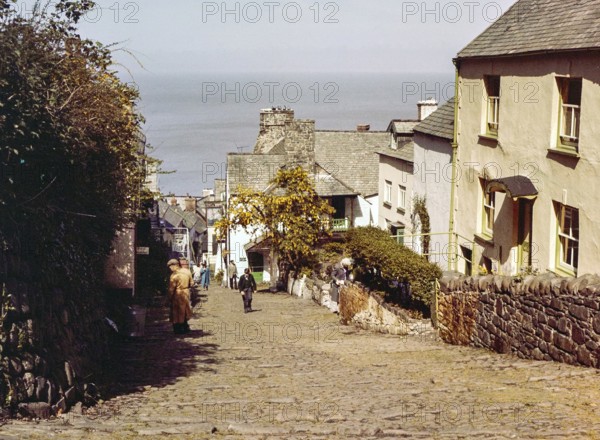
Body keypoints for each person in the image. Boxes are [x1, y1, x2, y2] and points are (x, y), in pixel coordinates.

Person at [167, 259, 193, 334]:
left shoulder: (174, 275)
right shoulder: (187, 271)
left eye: (170, 267)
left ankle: (178, 328)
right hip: (186, 292)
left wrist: (169, 298)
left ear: (174, 265)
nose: (170, 269)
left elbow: (171, 289)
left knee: (176, 311)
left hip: (178, 293)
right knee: (185, 310)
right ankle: (185, 327)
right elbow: (192, 283)